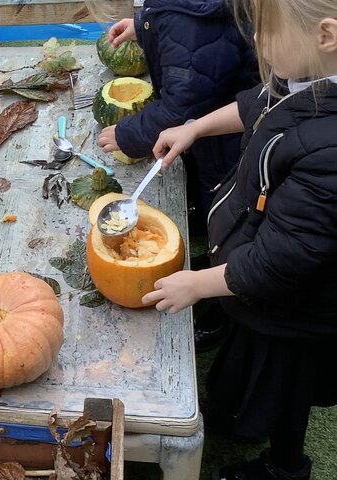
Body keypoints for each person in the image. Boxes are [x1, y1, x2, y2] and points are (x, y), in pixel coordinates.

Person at [143, 0, 337, 477]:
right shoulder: (306, 79)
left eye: (266, 32)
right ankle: (233, 407)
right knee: (244, 348)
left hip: (296, 310)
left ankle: (285, 465)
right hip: (253, 286)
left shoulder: (331, 149)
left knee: (284, 390)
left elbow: (282, 259)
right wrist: (194, 128)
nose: (257, 42)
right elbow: (255, 103)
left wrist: (197, 284)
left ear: (326, 35)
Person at [95, 0, 260, 351]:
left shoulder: (192, 21)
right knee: (211, 204)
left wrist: (128, 135)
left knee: (228, 219)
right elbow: (183, 30)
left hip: (229, 141)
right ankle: (206, 239)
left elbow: (183, 104)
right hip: (210, 128)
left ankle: (219, 311)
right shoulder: (186, 10)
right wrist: (144, 26)